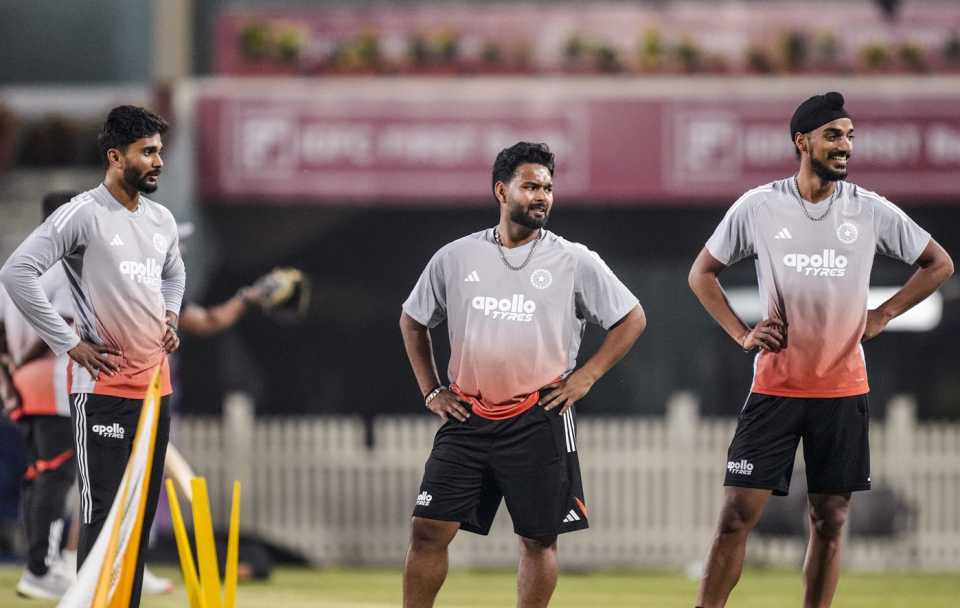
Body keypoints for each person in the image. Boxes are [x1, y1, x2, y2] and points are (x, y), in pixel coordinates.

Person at [688, 92, 953, 608]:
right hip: (774, 388)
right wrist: (742, 333)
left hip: (843, 389)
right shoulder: (760, 206)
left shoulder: (869, 210)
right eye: (834, 135)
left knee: (829, 521)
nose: (846, 146)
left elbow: (938, 263)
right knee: (735, 518)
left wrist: (884, 314)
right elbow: (702, 274)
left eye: (850, 136)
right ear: (801, 141)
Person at [400, 142, 646, 608]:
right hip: (467, 416)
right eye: (531, 186)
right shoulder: (455, 257)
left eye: (548, 188)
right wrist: (432, 390)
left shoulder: (574, 260)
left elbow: (632, 318)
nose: (542, 196)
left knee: (538, 539)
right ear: (501, 190)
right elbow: (413, 320)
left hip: (538, 416)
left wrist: (587, 376)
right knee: (428, 529)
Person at [0, 105, 185, 607]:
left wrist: (170, 318)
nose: (157, 161)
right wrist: (69, 345)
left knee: (141, 512)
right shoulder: (83, 213)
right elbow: (17, 272)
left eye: (159, 151)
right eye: (147, 152)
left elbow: (174, 274)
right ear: (115, 155)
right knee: (103, 514)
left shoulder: (161, 219)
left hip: (155, 390)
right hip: (101, 392)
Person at [1, 192, 77, 599]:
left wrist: (9, 378)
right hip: (55, 383)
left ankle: (38, 564)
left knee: (38, 475)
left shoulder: (16, 262)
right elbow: (63, 327)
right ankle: (42, 567)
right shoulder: (62, 265)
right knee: (55, 474)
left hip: (25, 386)